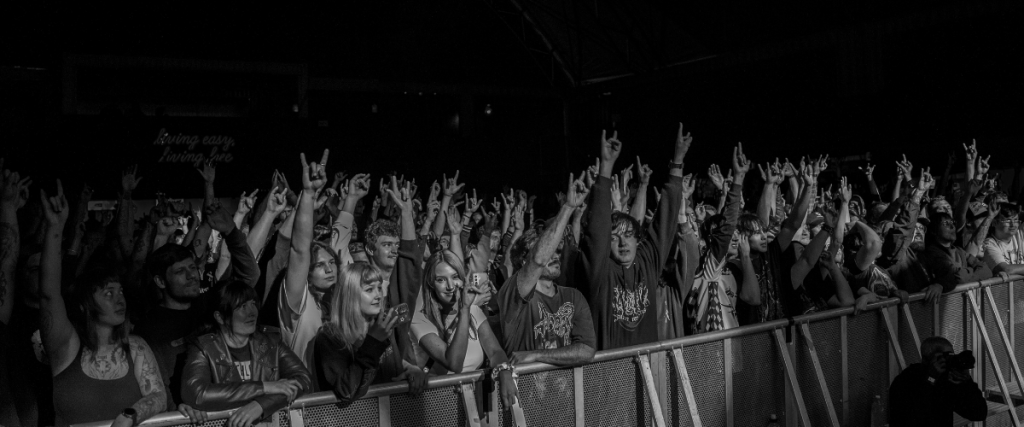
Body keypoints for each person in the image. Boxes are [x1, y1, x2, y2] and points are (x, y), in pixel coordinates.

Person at [38, 181, 167, 426]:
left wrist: (130, 415)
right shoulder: (66, 347)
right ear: (85, 304)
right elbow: (49, 296)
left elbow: (158, 396)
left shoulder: (136, 348)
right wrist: (55, 229)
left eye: (120, 292)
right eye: (108, 293)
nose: (120, 299)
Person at [134, 200, 259, 410]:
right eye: (180, 272)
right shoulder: (149, 329)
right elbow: (156, 385)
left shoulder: (210, 304)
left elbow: (249, 275)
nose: (192, 276)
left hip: (227, 410)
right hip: (184, 419)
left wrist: (230, 231)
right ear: (161, 282)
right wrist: (176, 412)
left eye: (192, 268)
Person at [576, 126, 685, 350]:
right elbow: (597, 231)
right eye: (614, 237)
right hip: (609, 377)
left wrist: (677, 162)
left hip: (648, 373)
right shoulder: (601, 271)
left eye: (628, 235)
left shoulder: (648, 262)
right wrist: (605, 168)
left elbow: (665, 220)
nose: (623, 243)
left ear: (638, 239)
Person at [180, 281, 311, 426]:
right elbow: (197, 394)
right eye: (242, 307)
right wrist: (265, 387)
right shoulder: (203, 348)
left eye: (253, 303)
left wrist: (260, 405)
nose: (252, 312)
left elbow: (302, 379)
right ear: (220, 317)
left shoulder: (270, 342)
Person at [498, 173, 596, 366]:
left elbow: (586, 350)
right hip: (525, 393)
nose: (555, 255)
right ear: (523, 260)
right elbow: (538, 259)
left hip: (568, 394)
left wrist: (537, 355)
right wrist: (568, 207)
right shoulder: (515, 293)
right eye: (548, 250)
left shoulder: (573, 297)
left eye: (556, 249)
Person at [410, 250, 518, 408]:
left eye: (455, 277)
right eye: (441, 279)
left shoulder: (473, 310)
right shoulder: (420, 319)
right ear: (430, 283)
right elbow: (453, 363)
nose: (450, 286)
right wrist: (464, 309)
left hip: (472, 405)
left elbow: (494, 351)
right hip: (436, 408)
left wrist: (504, 370)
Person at [311, 262, 426, 407]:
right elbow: (345, 392)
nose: (378, 295)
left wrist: (411, 369)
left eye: (379, 288)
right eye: (369, 289)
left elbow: (386, 362)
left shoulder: (380, 324)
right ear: (350, 294)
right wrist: (373, 342)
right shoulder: (330, 336)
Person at [888, 336, 987, 426]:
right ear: (930, 358)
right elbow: (912, 418)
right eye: (946, 356)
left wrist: (967, 381)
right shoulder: (906, 379)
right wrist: (932, 378)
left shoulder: (945, 381)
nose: (949, 360)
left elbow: (979, 413)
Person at [982, 203, 1023, 275]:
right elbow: (1006, 269)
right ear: (994, 223)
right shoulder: (989, 245)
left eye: (1016, 220)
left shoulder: (1020, 234)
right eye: (1007, 220)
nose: (1013, 224)